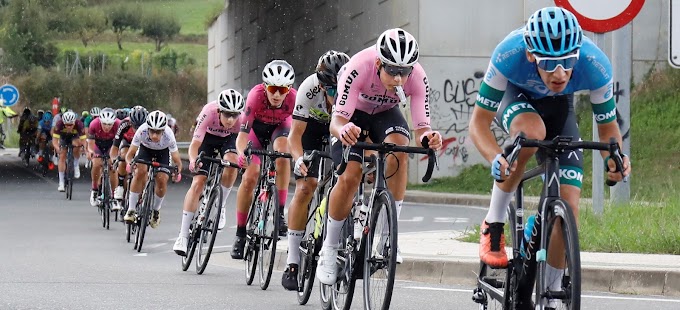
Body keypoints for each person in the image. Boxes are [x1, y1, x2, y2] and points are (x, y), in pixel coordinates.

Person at [468, 7, 632, 309]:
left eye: (568, 62)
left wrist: (616, 157)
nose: (560, 73)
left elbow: (609, 130)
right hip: (518, 101)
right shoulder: (510, 54)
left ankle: (552, 295)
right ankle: (493, 224)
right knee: (532, 130)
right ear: (531, 56)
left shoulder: (595, 63)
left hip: (560, 112)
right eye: (550, 63)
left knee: (569, 206)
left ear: (577, 53)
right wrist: (495, 156)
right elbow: (478, 123)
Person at [315, 28, 442, 285]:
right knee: (350, 175)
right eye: (392, 71)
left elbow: (422, 127)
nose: (398, 79)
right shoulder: (358, 67)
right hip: (353, 115)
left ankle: (387, 236)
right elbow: (336, 121)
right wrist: (344, 129)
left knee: (400, 150)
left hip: (385, 113)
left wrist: (429, 137)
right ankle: (329, 248)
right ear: (378, 63)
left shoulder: (417, 77)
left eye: (404, 72)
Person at [281, 50, 350, 290]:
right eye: (329, 90)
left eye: (337, 89)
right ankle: (292, 261)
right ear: (321, 85)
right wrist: (299, 159)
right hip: (310, 128)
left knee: (346, 177)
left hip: (337, 127)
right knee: (305, 186)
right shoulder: (308, 88)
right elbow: (294, 135)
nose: (334, 94)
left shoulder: (351, 86)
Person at [229, 59, 297, 260]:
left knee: (283, 154)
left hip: (280, 128)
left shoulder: (294, 99)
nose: (277, 94)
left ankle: (279, 213)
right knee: (251, 176)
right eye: (273, 88)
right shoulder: (255, 97)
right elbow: (242, 136)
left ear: (289, 90)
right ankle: (241, 233)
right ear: (265, 87)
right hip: (255, 133)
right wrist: (242, 154)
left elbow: (299, 132)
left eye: (282, 90)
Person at [172, 89, 245, 256]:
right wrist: (192, 160)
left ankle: (222, 204)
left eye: (234, 115)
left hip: (229, 140)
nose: (231, 120)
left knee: (232, 162)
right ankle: (182, 236)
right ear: (219, 110)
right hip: (207, 140)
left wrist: (243, 158)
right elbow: (195, 144)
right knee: (198, 182)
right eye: (227, 115)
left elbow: (242, 144)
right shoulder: (209, 112)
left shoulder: (240, 121)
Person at [123, 110, 182, 229]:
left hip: (163, 153)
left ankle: (156, 210)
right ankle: (131, 209)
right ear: (148, 129)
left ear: (163, 131)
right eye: (152, 131)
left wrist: (177, 171)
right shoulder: (141, 131)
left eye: (158, 132)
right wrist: (130, 163)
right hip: (145, 150)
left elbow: (177, 160)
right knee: (140, 172)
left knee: (162, 178)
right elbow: (130, 154)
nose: (155, 135)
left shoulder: (169, 136)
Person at [111, 106, 148, 210]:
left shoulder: (150, 127)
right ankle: (121, 185)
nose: (137, 129)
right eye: (135, 126)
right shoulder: (124, 124)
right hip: (127, 143)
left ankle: (143, 194)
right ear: (130, 122)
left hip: (143, 145)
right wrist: (114, 160)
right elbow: (115, 146)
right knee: (123, 157)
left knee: (144, 169)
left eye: (140, 126)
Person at [87, 108, 121, 207]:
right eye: (104, 124)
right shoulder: (94, 124)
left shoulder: (119, 125)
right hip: (98, 144)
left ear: (114, 122)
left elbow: (119, 145)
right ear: (100, 121)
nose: (107, 127)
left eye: (109, 124)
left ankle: (114, 197)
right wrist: (92, 152)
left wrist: (116, 156)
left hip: (112, 144)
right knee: (97, 163)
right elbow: (90, 144)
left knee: (113, 167)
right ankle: (94, 190)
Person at [52, 111, 86, 191]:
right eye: (66, 125)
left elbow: (84, 141)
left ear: (74, 122)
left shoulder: (79, 124)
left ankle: (76, 164)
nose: (69, 127)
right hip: (63, 137)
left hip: (75, 137)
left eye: (71, 125)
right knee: (62, 156)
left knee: (77, 144)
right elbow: (55, 141)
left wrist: (84, 148)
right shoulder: (59, 124)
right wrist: (57, 148)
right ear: (63, 123)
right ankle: (61, 182)